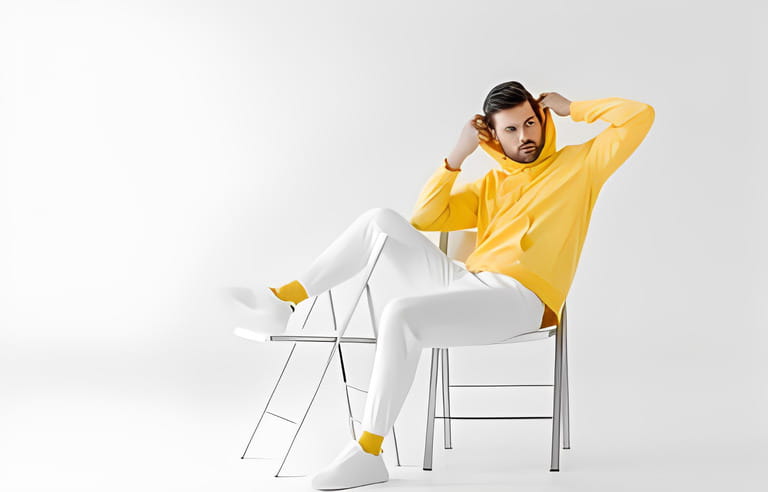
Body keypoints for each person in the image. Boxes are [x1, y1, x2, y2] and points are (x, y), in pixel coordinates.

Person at [224, 81, 655, 490]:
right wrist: (456, 156)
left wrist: (571, 108)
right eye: (511, 129)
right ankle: (285, 299)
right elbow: (427, 217)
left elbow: (640, 116)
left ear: (542, 120)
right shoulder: (491, 185)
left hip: (521, 298)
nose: (525, 136)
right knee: (379, 220)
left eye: (530, 123)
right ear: (494, 137)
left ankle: (368, 452)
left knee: (400, 314)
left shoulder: (581, 165)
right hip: (469, 282)